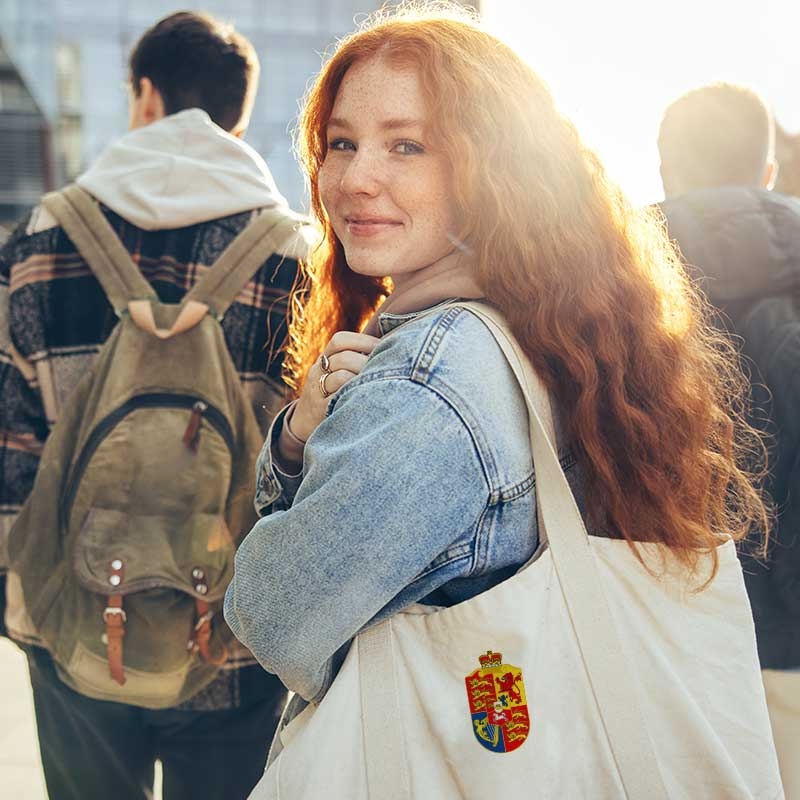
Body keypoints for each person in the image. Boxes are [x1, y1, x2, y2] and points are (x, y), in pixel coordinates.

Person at [0, 11, 314, 800]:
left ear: (144, 94)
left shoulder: (42, 237)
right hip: (237, 642)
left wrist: (21, 612)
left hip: (76, 625)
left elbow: (12, 449)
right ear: (235, 115)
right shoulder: (295, 253)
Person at [658, 81, 800, 797]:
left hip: (654, 640)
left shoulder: (606, 288)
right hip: (789, 653)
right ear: (768, 176)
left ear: (664, 169)